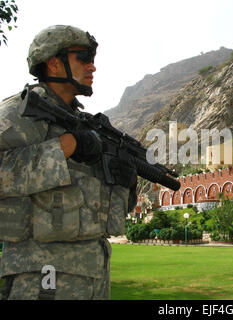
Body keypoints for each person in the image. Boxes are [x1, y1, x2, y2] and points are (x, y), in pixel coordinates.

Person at [0, 25, 137, 300]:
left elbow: (97, 208)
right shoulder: (19, 112)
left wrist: (126, 182)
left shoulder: (88, 126)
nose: (92, 67)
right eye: (84, 58)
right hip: (41, 277)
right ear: (53, 62)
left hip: (93, 275)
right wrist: (67, 146)